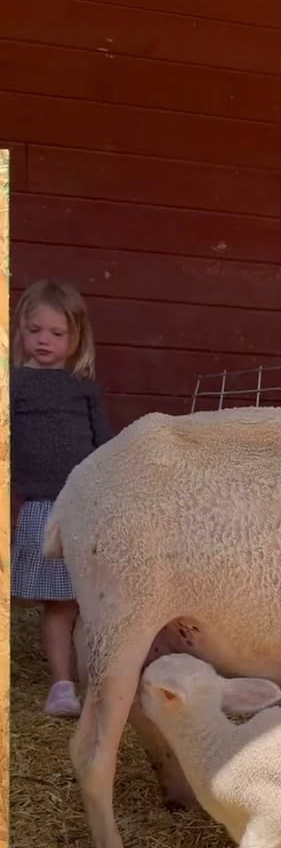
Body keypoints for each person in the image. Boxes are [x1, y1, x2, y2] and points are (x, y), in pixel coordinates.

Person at [10, 278, 114, 716]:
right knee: (59, 601)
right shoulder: (14, 384)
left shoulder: (83, 387)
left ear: (75, 338)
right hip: (43, 507)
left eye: (56, 333)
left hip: (88, 504)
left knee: (91, 600)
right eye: (35, 330)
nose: (44, 340)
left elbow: (103, 443)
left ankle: (105, 680)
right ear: (20, 331)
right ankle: (62, 685)